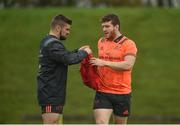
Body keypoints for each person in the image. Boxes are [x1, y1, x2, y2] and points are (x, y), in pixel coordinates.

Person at [37, 14, 91, 124]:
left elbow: (62, 57)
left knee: (55, 122)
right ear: (58, 28)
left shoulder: (48, 42)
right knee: (51, 122)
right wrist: (84, 52)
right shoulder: (53, 44)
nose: (68, 32)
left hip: (52, 92)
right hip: (50, 93)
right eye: (67, 29)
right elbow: (68, 59)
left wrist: (77, 51)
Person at [89, 14, 138, 124]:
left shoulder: (129, 44)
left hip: (122, 93)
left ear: (116, 27)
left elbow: (128, 65)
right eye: (103, 27)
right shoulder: (101, 41)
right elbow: (98, 63)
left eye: (107, 26)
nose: (104, 29)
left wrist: (104, 63)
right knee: (101, 122)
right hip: (103, 91)